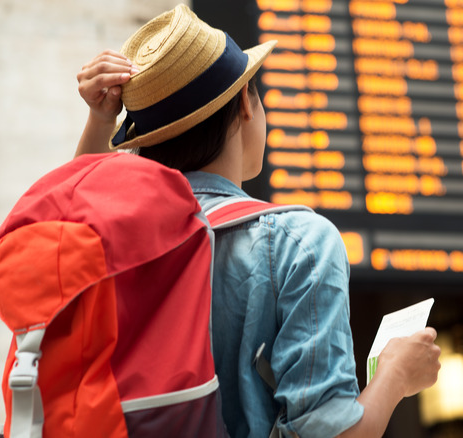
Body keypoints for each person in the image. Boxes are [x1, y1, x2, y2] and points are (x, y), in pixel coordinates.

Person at [74, 4, 441, 437]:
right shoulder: (297, 242)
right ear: (245, 105)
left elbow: (79, 208)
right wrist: (396, 374)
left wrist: (100, 120)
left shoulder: (102, 242)